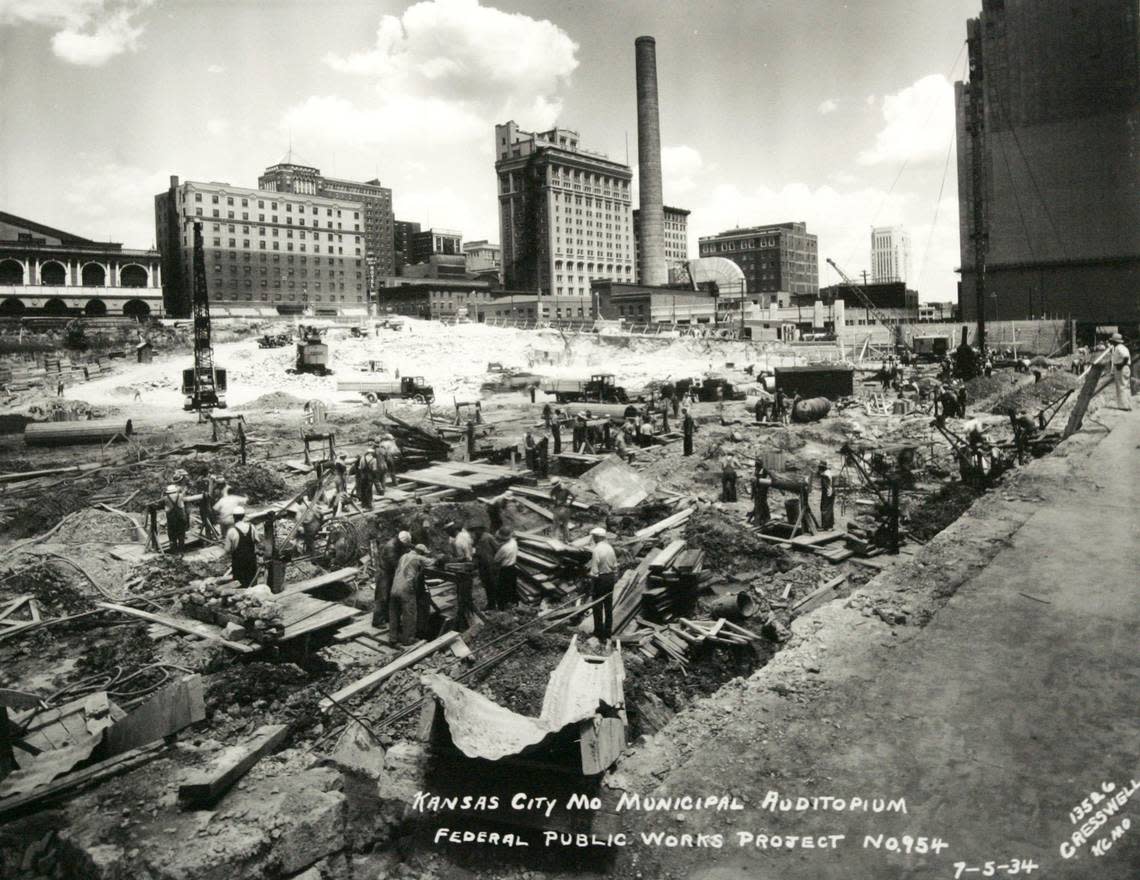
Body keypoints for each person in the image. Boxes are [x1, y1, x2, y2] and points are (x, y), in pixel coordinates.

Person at [389, 544, 432, 646]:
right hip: (406, 589)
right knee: (410, 614)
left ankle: (393, 637)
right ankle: (408, 639)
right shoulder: (418, 557)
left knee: (394, 613)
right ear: (421, 552)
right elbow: (432, 562)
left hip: (394, 588)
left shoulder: (403, 556)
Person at [372, 530, 411, 627]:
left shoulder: (398, 543)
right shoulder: (391, 547)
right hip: (384, 574)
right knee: (382, 597)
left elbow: (406, 549)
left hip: (390, 573)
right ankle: (377, 621)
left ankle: (387, 617)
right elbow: (395, 562)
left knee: (389, 597)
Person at [587, 527, 618, 640]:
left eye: (594, 536)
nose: (593, 538)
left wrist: (591, 584)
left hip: (600, 579)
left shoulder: (597, 550)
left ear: (598, 537)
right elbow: (615, 566)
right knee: (608, 606)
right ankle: (608, 633)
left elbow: (594, 571)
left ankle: (598, 633)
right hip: (610, 578)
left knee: (597, 606)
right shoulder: (610, 548)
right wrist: (614, 577)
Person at [224, 507, 260, 588]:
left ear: (234, 517)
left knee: (240, 585)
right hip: (251, 560)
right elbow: (257, 541)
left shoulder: (231, 531)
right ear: (244, 516)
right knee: (252, 582)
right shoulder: (252, 527)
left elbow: (227, 549)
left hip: (238, 562)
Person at [472, 522, 498, 608]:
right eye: (474, 530)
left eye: (477, 529)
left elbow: (497, 549)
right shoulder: (476, 539)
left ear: (481, 529)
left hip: (491, 565)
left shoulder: (488, 537)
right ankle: (491, 604)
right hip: (482, 566)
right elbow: (475, 552)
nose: (475, 531)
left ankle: (498, 603)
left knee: (493, 584)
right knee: (486, 585)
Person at [492, 526, 518, 609]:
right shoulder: (514, 542)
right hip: (513, 567)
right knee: (512, 586)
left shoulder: (504, 549)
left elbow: (496, 560)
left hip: (505, 569)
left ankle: (502, 605)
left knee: (502, 588)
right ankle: (514, 602)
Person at [1109, 332, 1132, 410]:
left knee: (1122, 386)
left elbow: (1125, 357)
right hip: (1122, 367)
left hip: (1121, 368)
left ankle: (1124, 406)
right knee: (1124, 386)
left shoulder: (1119, 347)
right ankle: (1127, 404)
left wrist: (1121, 365)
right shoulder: (1120, 347)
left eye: (1112, 341)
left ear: (1115, 341)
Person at [163, 483, 189, 554]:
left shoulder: (165, 498)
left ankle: (174, 551)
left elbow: (162, 504)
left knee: (172, 536)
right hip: (181, 519)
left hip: (172, 520)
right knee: (181, 535)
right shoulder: (180, 496)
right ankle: (181, 551)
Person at [355, 442, 380, 508]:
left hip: (363, 476)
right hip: (370, 476)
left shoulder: (362, 458)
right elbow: (374, 469)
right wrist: (375, 477)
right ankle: (369, 505)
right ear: (372, 453)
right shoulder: (374, 460)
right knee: (369, 490)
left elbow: (359, 468)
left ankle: (363, 504)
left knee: (363, 489)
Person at [550, 478, 574, 543]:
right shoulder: (560, 489)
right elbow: (572, 497)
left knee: (560, 525)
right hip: (562, 509)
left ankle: (561, 540)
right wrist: (567, 503)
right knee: (561, 525)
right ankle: (562, 539)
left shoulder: (560, 490)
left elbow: (571, 497)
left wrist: (566, 504)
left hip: (561, 509)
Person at [817, 461, 835, 531]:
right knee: (829, 508)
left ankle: (825, 526)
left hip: (828, 492)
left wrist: (829, 491)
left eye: (819, 468)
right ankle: (830, 525)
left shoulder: (825, 475)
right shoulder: (827, 472)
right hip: (829, 491)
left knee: (825, 508)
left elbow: (827, 484)